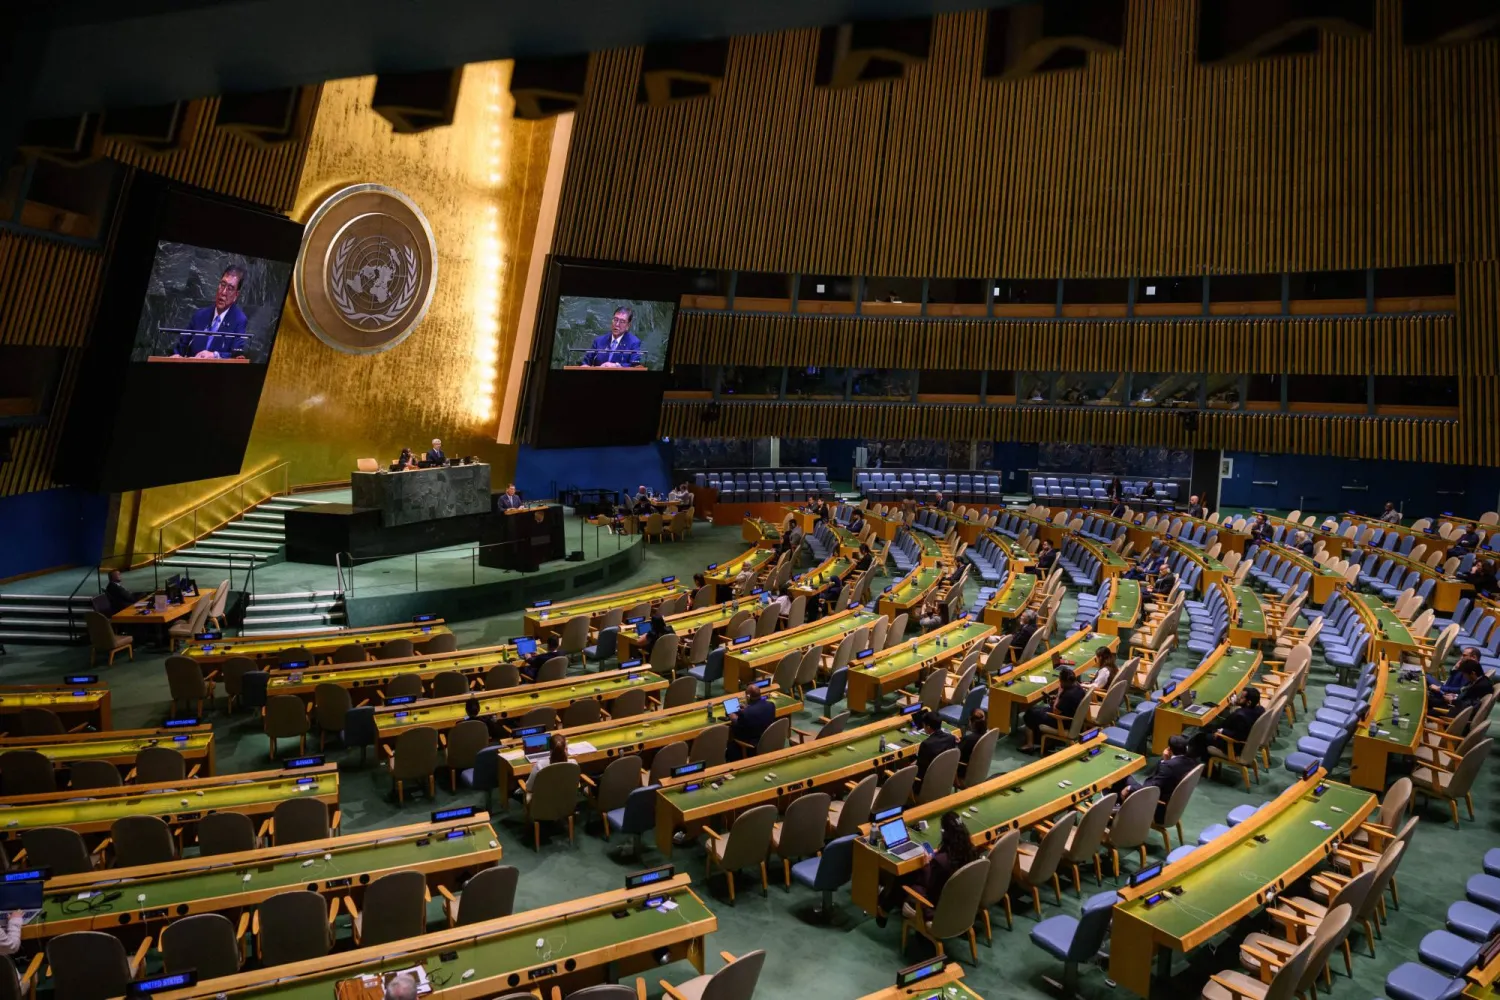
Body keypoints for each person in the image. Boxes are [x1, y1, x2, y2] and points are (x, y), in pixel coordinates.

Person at [875, 810, 979, 926]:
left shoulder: (941, 861)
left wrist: (926, 866)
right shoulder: (972, 852)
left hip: (934, 904)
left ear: (945, 834)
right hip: (959, 901)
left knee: (905, 877)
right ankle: (885, 906)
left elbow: (928, 885)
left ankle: (884, 909)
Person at [1117, 734, 1195, 823]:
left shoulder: (1168, 767)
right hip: (1171, 802)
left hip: (1157, 805)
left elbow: (1152, 788)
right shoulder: (1191, 762)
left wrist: (1130, 788)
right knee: (1125, 778)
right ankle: (1117, 807)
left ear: (1169, 749)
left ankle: (1115, 814)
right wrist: (1166, 760)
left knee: (1121, 778)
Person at [176, 265, 249, 359]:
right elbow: (181, 347)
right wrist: (176, 355)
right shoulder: (200, 315)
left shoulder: (239, 320)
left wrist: (215, 355)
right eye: (222, 284)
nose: (223, 292)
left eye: (230, 288)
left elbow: (236, 355)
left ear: (236, 295)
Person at [1019, 666, 1085, 753]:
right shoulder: (1078, 688)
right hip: (1071, 717)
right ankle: (1038, 739)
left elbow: (1055, 711)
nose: (1059, 682)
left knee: (1030, 713)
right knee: (1036, 709)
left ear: (1064, 681)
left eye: (1060, 680)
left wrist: (1058, 694)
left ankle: (1029, 745)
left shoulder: (1068, 695)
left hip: (1062, 722)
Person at [1187, 687, 1264, 761]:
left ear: (1248, 703)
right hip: (1246, 742)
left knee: (1200, 737)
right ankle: (1205, 759)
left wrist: (1222, 731)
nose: (1238, 698)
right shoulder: (1260, 709)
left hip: (1233, 745)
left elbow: (1238, 736)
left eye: (1241, 698)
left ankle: (1202, 765)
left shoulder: (1240, 715)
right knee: (1208, 729)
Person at [913, 711, 958, 796]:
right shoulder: (951, 738)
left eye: (924, 725)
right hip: (944, 781)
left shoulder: (926, 744)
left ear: (928, 727)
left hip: (925, 786)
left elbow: (919, 770)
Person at [728, 683, 775, 757]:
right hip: (766, 739)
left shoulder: (745, 713)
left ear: (748, 696)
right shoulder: (771, 705)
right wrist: (748, 708)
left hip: (751, 746)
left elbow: (737, 726)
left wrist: (733, 718)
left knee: (730, 732)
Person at [957, 710, 989, 782]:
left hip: (963, 771)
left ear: (971, 722)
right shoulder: (987, 735)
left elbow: (958, 752)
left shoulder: (969, 739)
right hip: (979, 769)